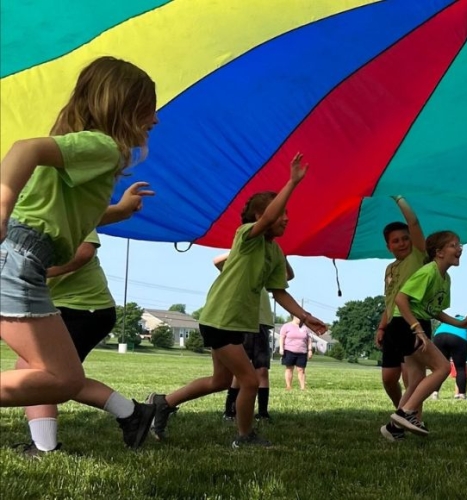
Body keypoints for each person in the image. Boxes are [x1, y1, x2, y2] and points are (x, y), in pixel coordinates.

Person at [1, 56, 157, 412]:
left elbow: (68, 216)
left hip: (24, 258)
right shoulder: (104, 147)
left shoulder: (83, 150)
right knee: (61, 378)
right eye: (149, 108)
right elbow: (24, 149)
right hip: (18, 258)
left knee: (64, 378)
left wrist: (120, 210)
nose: (155, 119)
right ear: (125, 107)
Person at [147, 154, 327, 448]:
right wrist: (292, 182)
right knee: (250, 380)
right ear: (260, 217)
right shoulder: (246, 236)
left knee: (220, 381)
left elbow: (279, 291)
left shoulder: (275, 251)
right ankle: (245, 437)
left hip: (235, 322)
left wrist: (305, 317)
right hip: (221, 318)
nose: (286, 218)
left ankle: (161, 403)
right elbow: (270, 217)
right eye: (282, 213)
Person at [17, 195, 155, 457]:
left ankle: (45, 447)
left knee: (41, 374)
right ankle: (132, 414)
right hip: (61, 307)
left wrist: (36, 272)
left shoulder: (61, 206)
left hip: (85, 308)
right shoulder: (19, 216)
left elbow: (84, 251)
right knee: (43, 372)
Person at [382, 231, 467, 440]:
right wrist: (417, 328)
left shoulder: (445, 278)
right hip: (404, 324)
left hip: (415, 324)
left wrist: (460, 323)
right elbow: (400, 299)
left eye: (459, 244)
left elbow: (434, 310)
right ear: (439, 252)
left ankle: (393, 428)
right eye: (454, 245)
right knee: (443, 367)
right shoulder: (428, 272)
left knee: (416, 380)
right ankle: (406, 413)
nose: (459, 248)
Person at [220, 255, 294, 421]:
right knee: (241, 371)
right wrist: (242, 249)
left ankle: (262, 412)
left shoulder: (264, 277)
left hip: (262, 326)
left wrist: (283, 257)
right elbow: (217, 262)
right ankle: (230, 410)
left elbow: (288, 276)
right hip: (244, 324)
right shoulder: (239, 272)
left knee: (262, 370)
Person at [375, 196, 425, 431]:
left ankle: (414, 415)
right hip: (394, 324)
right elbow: (390, 301)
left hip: (413, 321)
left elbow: (414, 225)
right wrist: (382, 326)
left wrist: (400, 200)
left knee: (412, 375)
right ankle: (402, 411)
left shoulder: (418, 257)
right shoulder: (390, 268)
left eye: (405, 239)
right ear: (388, 246)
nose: (402, 243)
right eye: (396, 241)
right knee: (388, 377)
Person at [433, 314, 467, 399]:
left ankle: (434, 393)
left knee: (440, 368)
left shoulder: (454, 318)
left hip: (439, 336)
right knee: (460, 368)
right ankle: (462, 394)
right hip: (458, 338)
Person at [279, 317, 313, 391]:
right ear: (293, 317)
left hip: (302, 352)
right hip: (289, 351)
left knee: (301, 370)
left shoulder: (305, 328)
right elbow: (282, 337)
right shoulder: (286, 326)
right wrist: (281, 348)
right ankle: (288, 386)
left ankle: (303, 387)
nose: (300, 319)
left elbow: (309, 340)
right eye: (298, 317)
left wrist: (310, 350)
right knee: (289, 369)